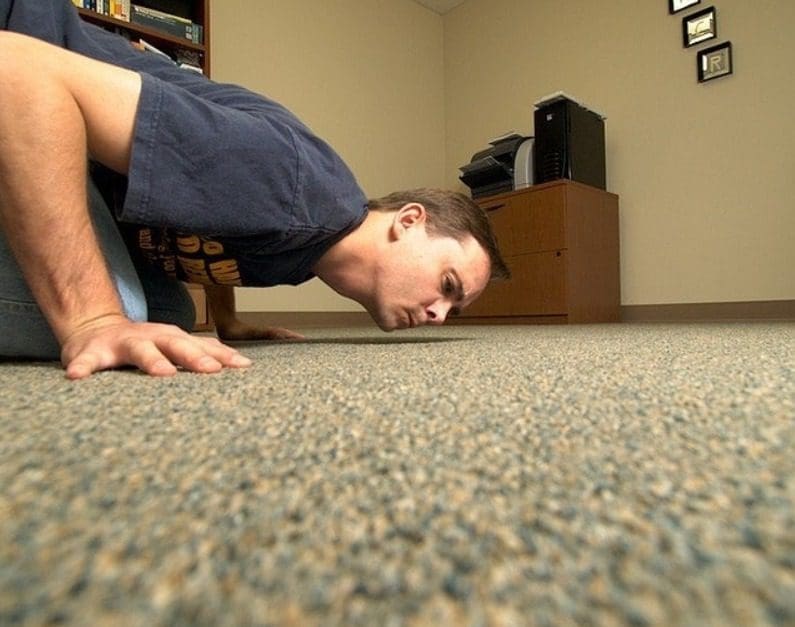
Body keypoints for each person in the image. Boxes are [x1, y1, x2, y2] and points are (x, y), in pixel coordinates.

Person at [0, 0, 509, 380]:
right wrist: (93, 319)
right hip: (19, 62)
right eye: (447, 286)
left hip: (54, 127)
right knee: (120, 316)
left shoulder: (311, 245)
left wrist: (227, 318)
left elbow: (212, 212)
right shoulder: (286, 185)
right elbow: (21, 75)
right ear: (410, 219)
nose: (439, 316)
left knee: (172, 316)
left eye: (453, 310)